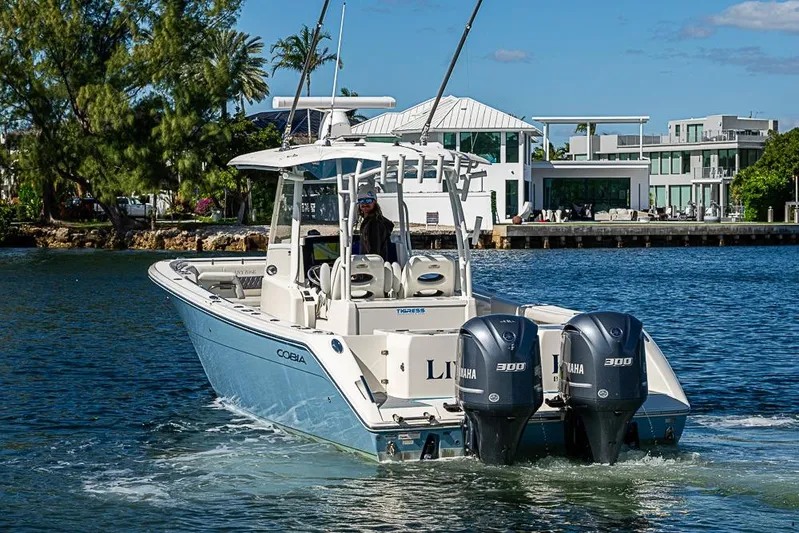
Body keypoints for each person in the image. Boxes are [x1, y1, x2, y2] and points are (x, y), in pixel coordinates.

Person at [357, 183, 394, 261]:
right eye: (361, 201)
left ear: (374, 202)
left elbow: (373, 252)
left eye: (368, 200)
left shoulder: (374, 224)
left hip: (373, 267)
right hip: (376, 266)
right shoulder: (373, 221)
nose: (365, 204)